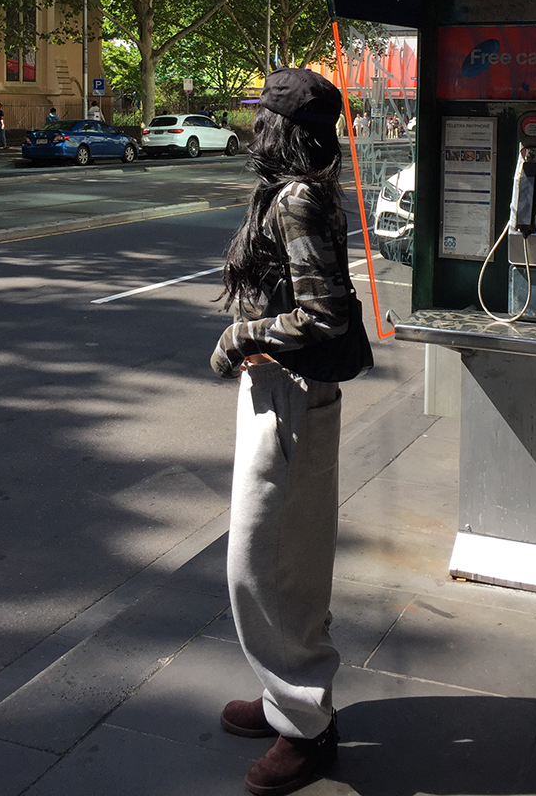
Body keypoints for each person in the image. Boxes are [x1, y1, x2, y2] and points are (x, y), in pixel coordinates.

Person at [211, 67, 371, 796]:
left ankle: (305, 725)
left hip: (293, 396)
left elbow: (323, 315)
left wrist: (240, 337)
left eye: (260, 118)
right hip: (284, 393)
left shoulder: (298, 198)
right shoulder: (295, 191)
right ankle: (288, 699)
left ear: (281, 129)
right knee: (283, 560)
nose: (251, 128)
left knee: (264, 565)